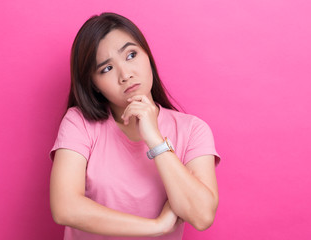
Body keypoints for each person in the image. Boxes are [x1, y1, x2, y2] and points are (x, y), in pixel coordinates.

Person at [49, 12, 220, 240]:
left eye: (131, 55)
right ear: (94, 85)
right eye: (106, 69)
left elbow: (201, 216)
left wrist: (155, 139)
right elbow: (65, 208)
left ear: (148, 56)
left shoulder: (192, 130)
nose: (125, 74)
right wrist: (157, 226)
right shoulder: (79, 122)